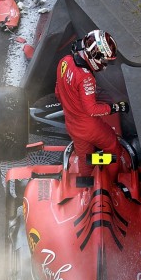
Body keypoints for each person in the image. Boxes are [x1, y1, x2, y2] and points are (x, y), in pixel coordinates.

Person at [54, 29, 129, 178]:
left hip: (71, 124)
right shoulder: (86, 77)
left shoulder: (65, 61)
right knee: (114, 148)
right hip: (89, 126)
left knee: (85, 157)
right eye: (105, 60)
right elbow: (92, 110)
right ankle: (112, 179)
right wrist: (116, 108)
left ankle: (87, 181)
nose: (105, 64)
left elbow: (58, 91)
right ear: (95, 56)